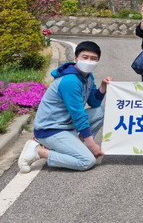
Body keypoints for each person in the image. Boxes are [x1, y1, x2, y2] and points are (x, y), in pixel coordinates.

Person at [18, 41, 112, 172]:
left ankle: (73, 145)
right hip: (50, 129)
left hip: (66, 124)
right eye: (85, 57)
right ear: (76, 58)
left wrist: (103, 87)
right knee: (87, 161)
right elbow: (79, 115)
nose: (89, 61)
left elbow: (94, 104)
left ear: (98, 61)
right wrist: (92, 145)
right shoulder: (70, 81)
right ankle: (38, 151)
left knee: (105, 111)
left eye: (93, 59)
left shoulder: (88, 76)